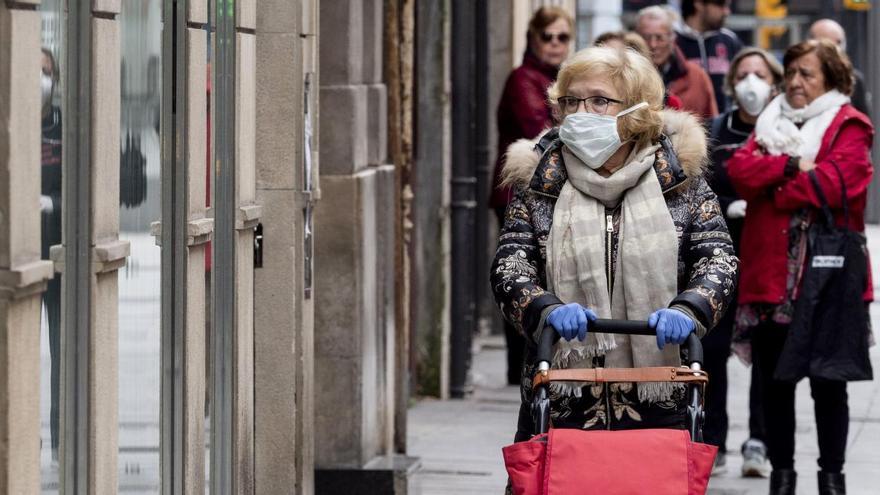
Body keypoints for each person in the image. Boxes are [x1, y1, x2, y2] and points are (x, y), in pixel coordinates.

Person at [491, 46, 738, 443]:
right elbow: (510, 265)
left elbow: (717, 259)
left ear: (637, 111)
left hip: (660, 399)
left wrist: (688, 309)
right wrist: (545, 307)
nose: (580, 113)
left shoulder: (681, 181)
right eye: (570, 101)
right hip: (562, 397)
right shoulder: (538, 181)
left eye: (599, 101)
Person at [728, 39, 874, 495]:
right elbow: (739, 170)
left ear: (831, 79)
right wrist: (792, 164)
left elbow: (837, 182)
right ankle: (783, 477)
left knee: (830, 385)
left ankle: (832, 479)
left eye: (806, 74)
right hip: (773, 279)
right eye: (790, 72)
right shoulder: (769, 124)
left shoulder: (850, 124)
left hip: (828, 278)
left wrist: (776, 189)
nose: (794, 82)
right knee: (776, 385)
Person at [705, 46, 783, 479]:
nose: (751, 82)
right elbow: (698, 191)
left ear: (774, 83)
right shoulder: (717, 131)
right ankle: (713, 440)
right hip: (723, 255)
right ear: (732, 82)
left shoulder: (783, 131)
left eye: (760, 73)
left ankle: (760, 440)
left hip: (767, 258)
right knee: (714, 350)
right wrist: (730, 206)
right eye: (744, 73)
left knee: (766, 352)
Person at [490, 6, 573, 386]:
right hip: (521, 192)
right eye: (548, 37)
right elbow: (537, 131)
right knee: (522, 273)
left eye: (562, 38)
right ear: (533, 38)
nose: (555, 45)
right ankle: (519, 364)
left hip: (554, 192)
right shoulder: (524, 78)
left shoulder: (564, 81)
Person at [635, 6, 718, 119]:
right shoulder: (626, 77)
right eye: (646, 38)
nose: (653, 45)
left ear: (672, 39)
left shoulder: (697, 77)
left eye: (660, 38)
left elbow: (712, 124)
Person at [40, 46, 62, 462]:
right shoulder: (10, 122)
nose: (40, 80)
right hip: (21, 257)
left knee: (63, 352)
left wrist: (53, 205)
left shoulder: (65, 127)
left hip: (61, 254)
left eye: (45, 72)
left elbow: (88, 185)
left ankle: (62, 436)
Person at [676, 0, 743, 113]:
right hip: (686, 125)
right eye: (720, 5)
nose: (727, 12)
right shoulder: (673, 41)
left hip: (723, 124)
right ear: (699, 4)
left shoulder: (729, 40)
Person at [593, 30, 684, 110]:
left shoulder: (667, 104)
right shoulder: (584, 99)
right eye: (598, 57)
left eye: (612, 58)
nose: (603, 65)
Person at [808, 18, 871, 118]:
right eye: (828, 44)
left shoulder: (854, 79)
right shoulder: (798, 78)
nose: (836, 49)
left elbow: (864, 123)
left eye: (839, 42)